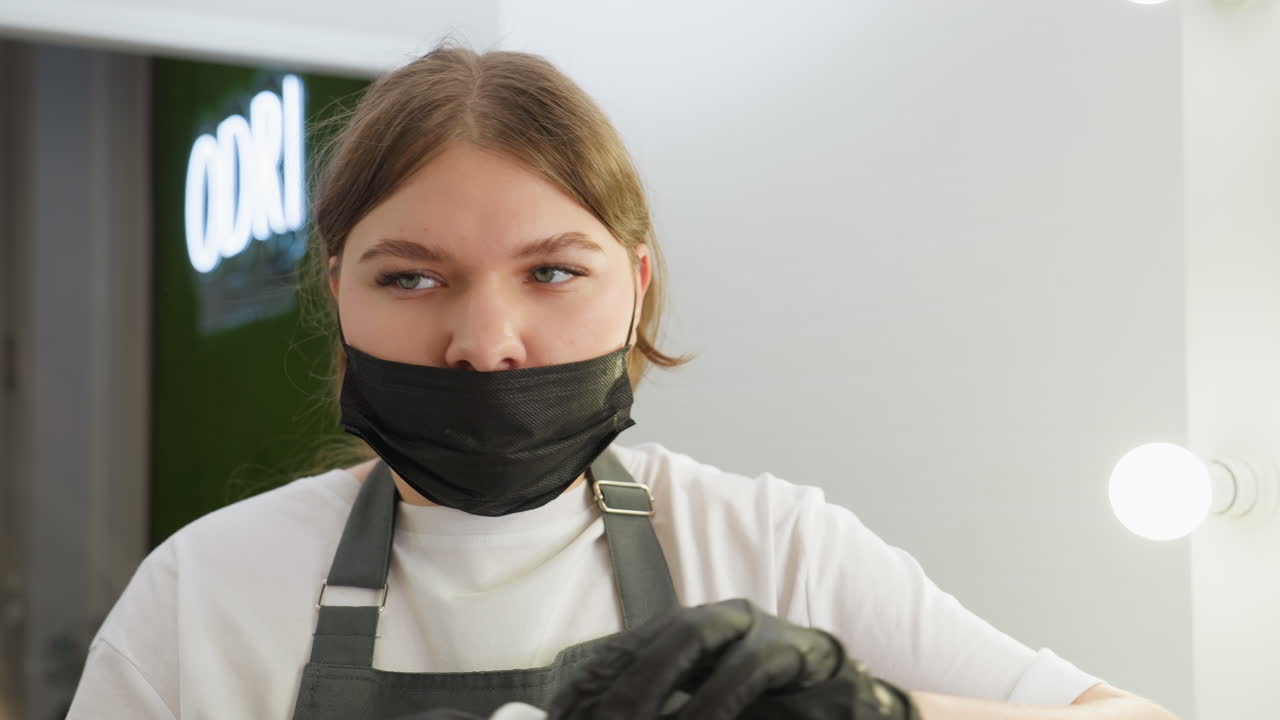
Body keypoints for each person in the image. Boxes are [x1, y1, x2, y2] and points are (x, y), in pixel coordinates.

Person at [67, 43, 1178, 720]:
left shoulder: (771, 544)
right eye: (411, 278)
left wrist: (881, 713)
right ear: (340, 295)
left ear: (636, 286)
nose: (486, 342)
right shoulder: (203, 592)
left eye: (552, 271)